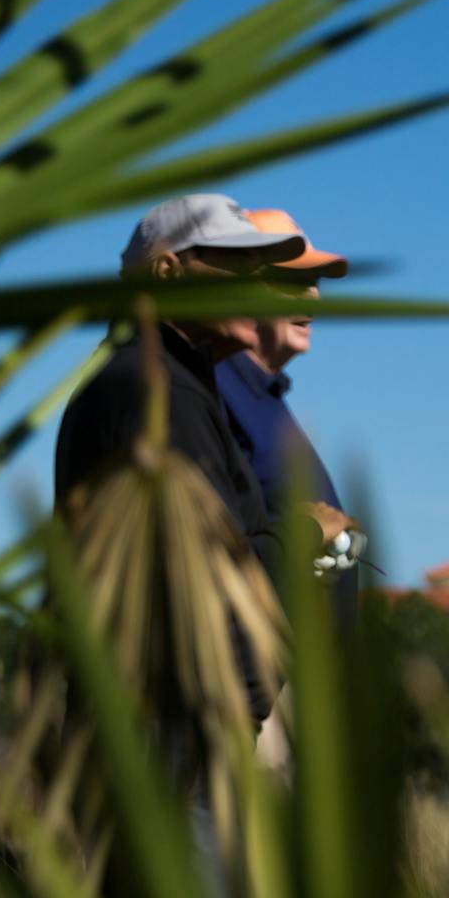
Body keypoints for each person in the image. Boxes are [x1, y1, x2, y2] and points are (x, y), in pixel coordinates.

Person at [53, 193, 356, 727]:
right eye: (237, 266)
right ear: (168, 273)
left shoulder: (171, 383)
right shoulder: (156, 390)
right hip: (176, 740)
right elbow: (206, 582)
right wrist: (307, 533)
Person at [214, 207, 351, 532]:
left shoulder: (266, 394)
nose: (313, 299)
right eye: (293, 282)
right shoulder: (212, 386)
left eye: (314, 282)